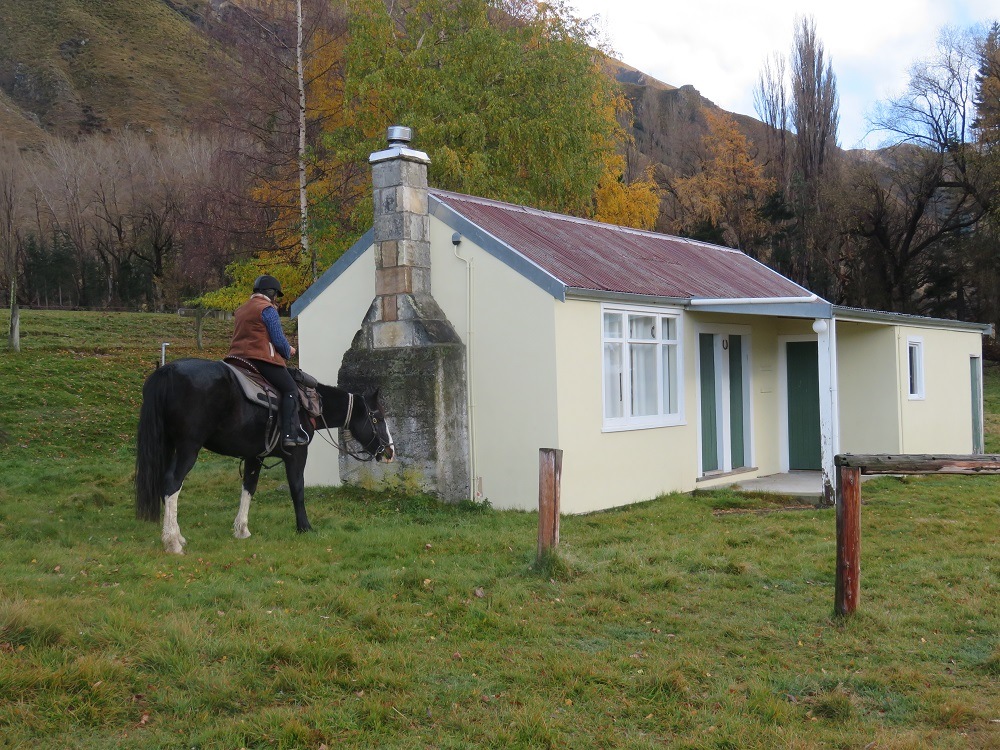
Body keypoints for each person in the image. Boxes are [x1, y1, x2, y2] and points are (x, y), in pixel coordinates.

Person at [228, 274, 309, 448]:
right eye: (275, 295)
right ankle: (289, 434)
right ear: (271, 293)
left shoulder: (241, 309)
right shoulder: (267, 309)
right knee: (290, 389)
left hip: (237, 359)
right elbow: (278, 339)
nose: (275, 300)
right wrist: (288, 350)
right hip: (260, 358)